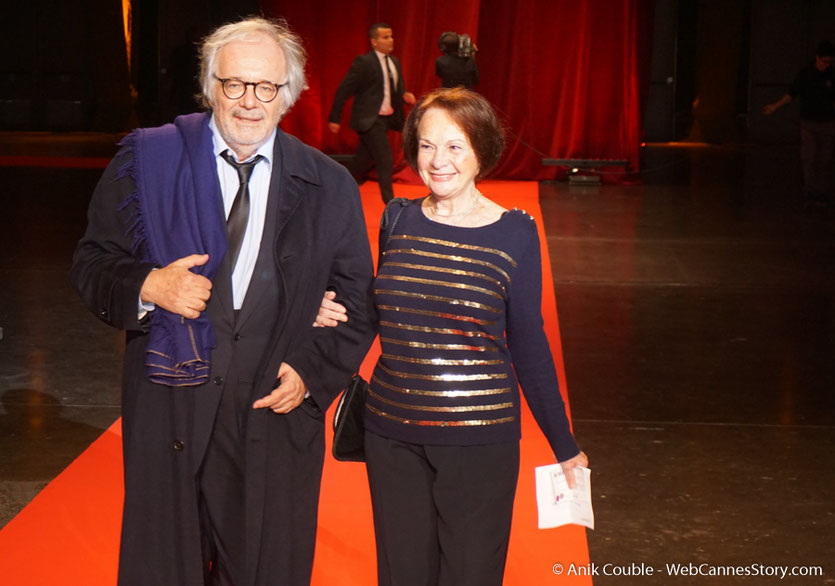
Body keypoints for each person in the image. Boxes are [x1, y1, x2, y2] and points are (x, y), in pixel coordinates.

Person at [70, 17, 376, 586]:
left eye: (266, 88)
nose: (249, 102)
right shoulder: (149, 163)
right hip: (170, 409)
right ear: (210, 87)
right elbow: (92, 264)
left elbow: (356, 299)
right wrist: (148, 285)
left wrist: (311, 373)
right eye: (234, 84)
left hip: (272, 420)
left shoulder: (328, 185)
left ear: (289, 96)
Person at [316, 88, 588, 586]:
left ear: (481, 150)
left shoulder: (515, 233)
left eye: (455, 146)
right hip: (391, 435)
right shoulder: (397, 218)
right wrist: (317, 316)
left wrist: (563, 445)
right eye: (425, 145)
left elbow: (529, 343)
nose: (437, 161)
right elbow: (376, 314)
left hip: (479, 442)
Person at [328, 22, 416, 203]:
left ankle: (334, 185)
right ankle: (391, 204)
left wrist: (405, 95)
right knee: (385, 159)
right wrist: (334, 118)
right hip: (369, 119)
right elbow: (344, 90)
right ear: (374, 42)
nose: (391, 40)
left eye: (391, 36)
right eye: (385, 37)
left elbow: (396, 90)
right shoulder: (364, 62)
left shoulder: (394, 62)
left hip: (389, 118)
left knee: (362, 161)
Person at [763, 40, 835, 207]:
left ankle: (821, 192)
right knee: (808, 158)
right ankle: (810, 191)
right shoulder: (806, 74)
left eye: (829, 62)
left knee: (824, 160)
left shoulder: (832, 75)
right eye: (824, 61)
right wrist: (775, 106)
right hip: (808, 124)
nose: (826, 65)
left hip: (828, 124)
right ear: (817, 58)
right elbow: (792, 94)